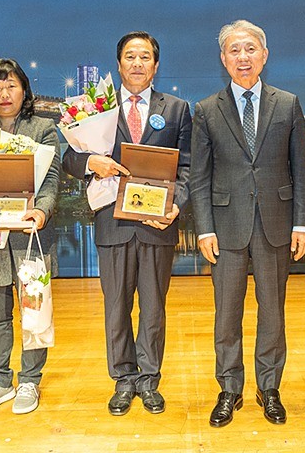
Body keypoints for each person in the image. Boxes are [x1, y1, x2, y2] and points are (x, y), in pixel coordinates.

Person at [190, 19, 305, 427]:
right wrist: (204, 228)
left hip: (276, 223)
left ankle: (269, 387)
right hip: (225, 227)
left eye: (250, 49)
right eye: (234, 50)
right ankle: (229, 388)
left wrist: (302, 224)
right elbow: (199, 177)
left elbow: (301, 169)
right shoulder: (207, 110)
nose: (243, 57)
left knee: (272, 311)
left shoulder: (288, 103)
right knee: (227, 312)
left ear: (264, 55)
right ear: (223, 59)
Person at [62, 31, 191, 416]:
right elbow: (69, 159)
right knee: (116, 307)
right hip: (112, 221)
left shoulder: (177, 109)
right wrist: (91, 162)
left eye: (145, 57)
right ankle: (122, 379)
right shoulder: (95, 108)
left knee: (153, 308)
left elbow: (188, 167)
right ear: (118, 64)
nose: (137, 63)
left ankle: (149, 380)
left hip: (157, 222)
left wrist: (176, 204)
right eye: (130, 56)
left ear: (156, 65)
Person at [0, 58, 61, 415]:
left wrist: (43, 210)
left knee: (33, 310)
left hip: (29, 232)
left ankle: (30, 380)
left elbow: (51, 180)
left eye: (11, 86)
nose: (4, 94)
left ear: (24, 91)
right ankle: (0, 380)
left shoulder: (43, 129)